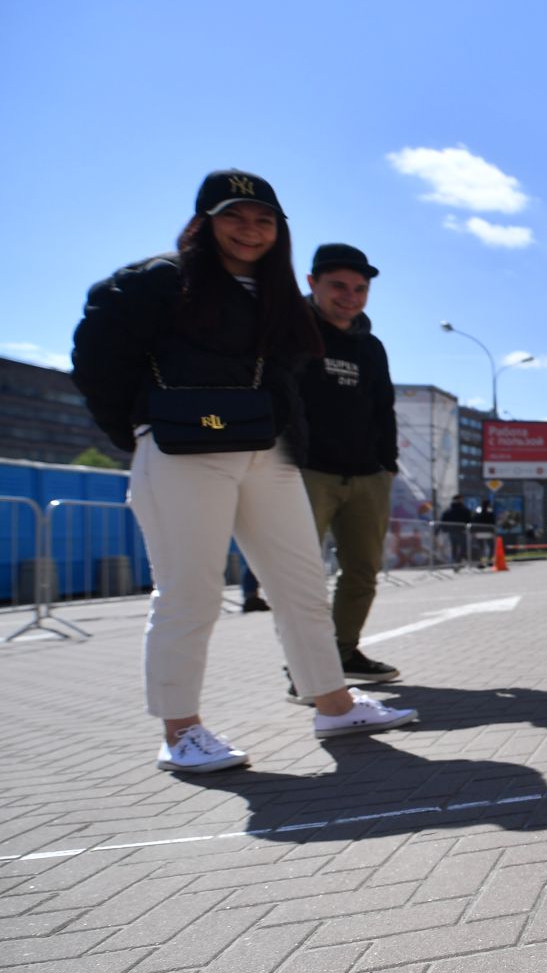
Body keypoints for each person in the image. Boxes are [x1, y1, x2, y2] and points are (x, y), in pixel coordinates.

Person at [70, 170, 416, 773]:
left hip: (268, 450)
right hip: (182, 449)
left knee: (300, 584)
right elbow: (97, 359)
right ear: (204, 222)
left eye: (263, 220)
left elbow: (288, 379)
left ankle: (333, 703)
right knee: (190, 592)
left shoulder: (277, 292)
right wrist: (135, 433)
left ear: (279, 230)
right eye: (234, 216)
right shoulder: (154, 281)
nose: (249, 230)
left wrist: (291, 439)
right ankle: (181, 730)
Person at [295, 243, 405, 687]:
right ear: (312, 284)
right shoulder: (291, 333)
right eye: (338, 286)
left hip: (367, 475)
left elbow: (384, 408)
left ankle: (343, 651)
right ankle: (304, 666)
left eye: (360, 289)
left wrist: (388, 465)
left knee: (362, 570)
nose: (350, 296)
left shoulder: (371, 347)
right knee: (299, 575)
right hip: (307, 472)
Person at [443, 496, 472, 565]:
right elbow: (469, 520)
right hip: (461, 531)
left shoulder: (448, 510)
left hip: (451, 531)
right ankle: (458, 560)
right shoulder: (464, 510)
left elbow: (443, 520)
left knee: (454, 547)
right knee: (463, 547)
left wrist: (445, 529)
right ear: (460, 500)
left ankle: (454, 560)